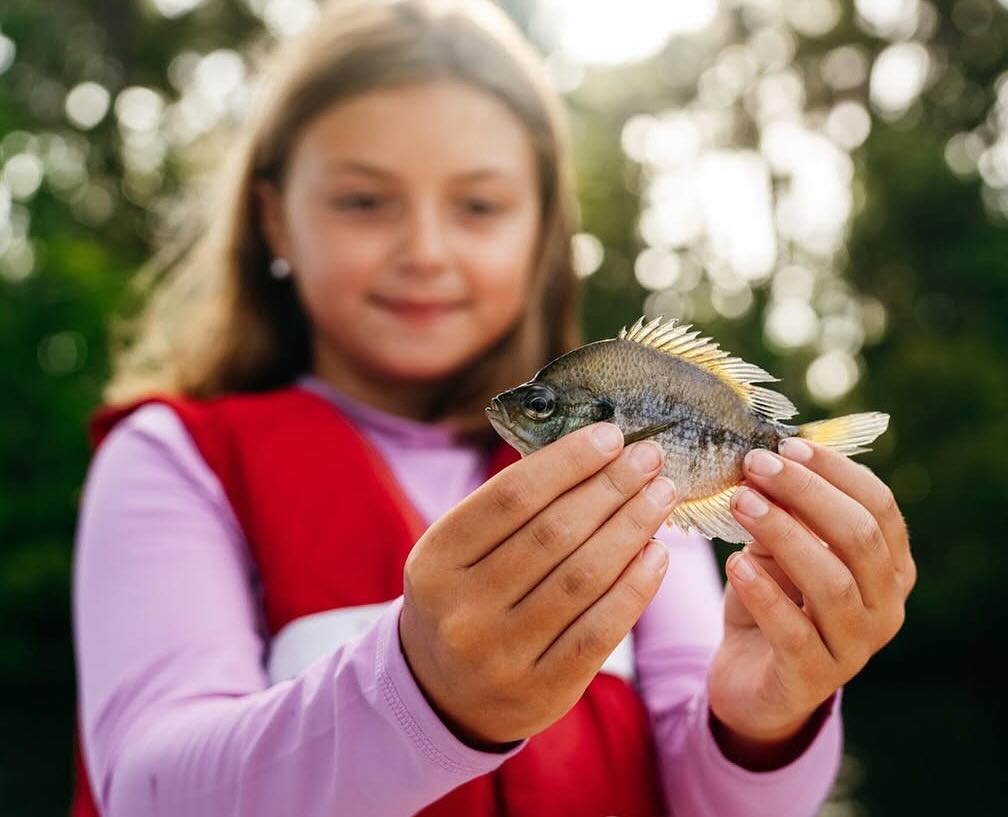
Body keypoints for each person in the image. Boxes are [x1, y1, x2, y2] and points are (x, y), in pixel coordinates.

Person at [70, 0, 916, 814]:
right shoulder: (174, 458)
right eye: (363, 200)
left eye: (478, 206)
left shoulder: (635, 479)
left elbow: (707, 789)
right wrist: (420, 694)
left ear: (542, 232)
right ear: (275, 220)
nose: (425, 251)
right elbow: (145, 789)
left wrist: (764, 719)